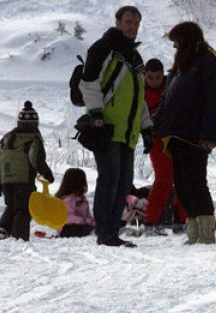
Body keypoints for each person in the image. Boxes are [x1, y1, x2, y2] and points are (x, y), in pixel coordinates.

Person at [79, 6, 152, 248]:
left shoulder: (135, 57)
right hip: (107, 128)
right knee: (110, 179)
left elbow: (138, 97)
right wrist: (96, 113)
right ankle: (105, 233)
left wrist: (147, 128)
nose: (133, 27)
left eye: (136, 23)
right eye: (129, 22)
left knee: (123, 183)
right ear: (118, 22)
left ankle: (112, 230)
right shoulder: (104, 48)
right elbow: (88, 81)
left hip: (128, 134)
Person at [156, 21, 216, 245]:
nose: (176, 48)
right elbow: (167, 99)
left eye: (177, 43)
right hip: (176, 135)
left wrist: (209, 134)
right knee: (183, 186)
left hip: (196, 136)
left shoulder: (209, 63)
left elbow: (215, 102)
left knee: (196, 183)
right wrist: (158, 123)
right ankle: (194, 233)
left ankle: (206, 236)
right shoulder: (182, 67)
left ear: (188, 40)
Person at [0, 101, 55, 240]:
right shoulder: (33, 139)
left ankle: (3, 229)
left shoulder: (8, 139)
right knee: (24, 209)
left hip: (6, 179)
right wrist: (47, 173)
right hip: (24, 179)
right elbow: (36, 159)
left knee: (12, 205)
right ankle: (19, 237)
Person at [141, 58, 185, 236]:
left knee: (182, 179)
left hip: (175, 137)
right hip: (156, 140)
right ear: (145, 76)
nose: (154, 81)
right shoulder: (140, 91)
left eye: (158, 77)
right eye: (150, 77)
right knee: (164, 180)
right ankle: (151, 222)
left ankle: (181, 221)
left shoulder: (172, 86)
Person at [55, 168, 95, 238]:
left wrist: (92, 222)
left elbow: (88, 215)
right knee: (84, 229)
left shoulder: (83, 199)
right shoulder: (69, 199)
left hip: (81, 224)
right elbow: (67, 218)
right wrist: (84, 221)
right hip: (67, 228)